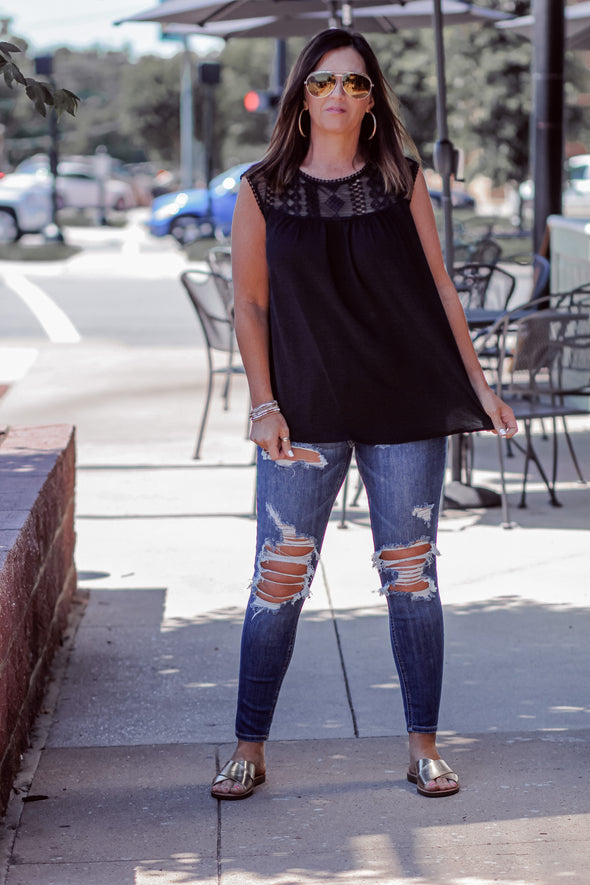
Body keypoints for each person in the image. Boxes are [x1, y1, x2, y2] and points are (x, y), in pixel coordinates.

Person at [211, 28, 517, 801]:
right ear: (301, 96)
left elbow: (442, 289)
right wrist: (262, 404)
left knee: (411, 578)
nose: (337, 95)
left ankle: (423, 747)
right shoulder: (261, 189)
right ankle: (248, 746)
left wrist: (481, 388)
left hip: (402, 404)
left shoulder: (401, 181)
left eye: (353, 82)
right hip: (303, 410)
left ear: (372, 98)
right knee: (278, 580)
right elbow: (248, 303)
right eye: (321, 82)